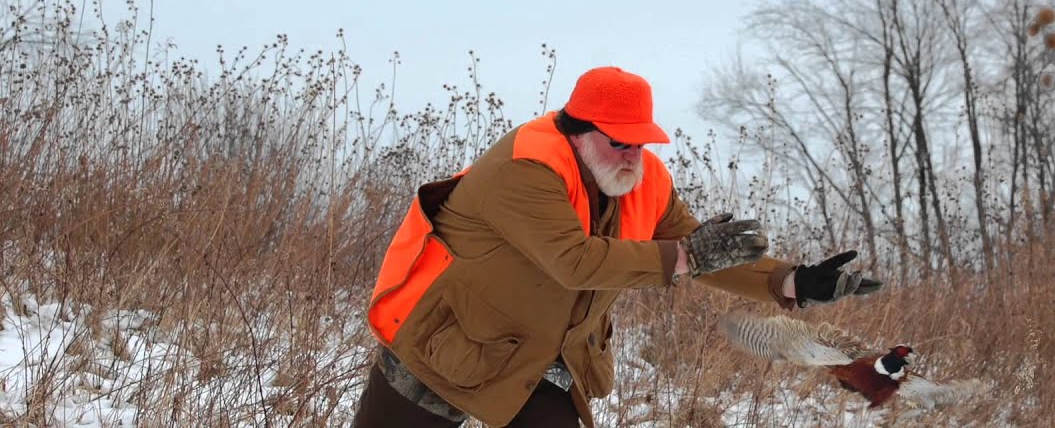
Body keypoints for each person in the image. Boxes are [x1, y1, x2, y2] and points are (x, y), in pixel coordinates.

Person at [352, 66, 882, 428]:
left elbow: (699, 253)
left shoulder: (644, 182)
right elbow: (573, 261)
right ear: (579, 133)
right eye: (618, 141)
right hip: (445, 350)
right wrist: (687, 256)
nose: (632, 155)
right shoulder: (524, 168)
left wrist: (789, 281)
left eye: (640, 142)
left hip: (537, 362)